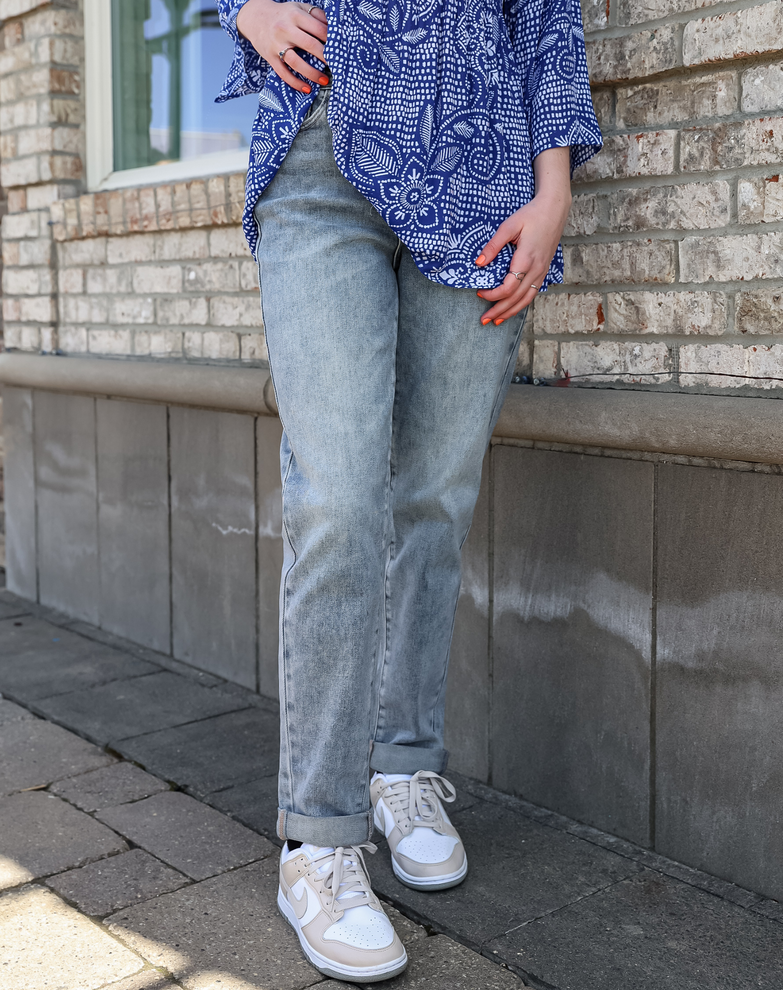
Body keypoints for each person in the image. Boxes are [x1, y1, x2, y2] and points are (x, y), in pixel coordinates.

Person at [217, 0, 601, 981]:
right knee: (337, 504)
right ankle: (317, 838)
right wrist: (243, 7)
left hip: (481, 177)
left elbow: (546, 16)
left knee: (433, 501)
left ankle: (402, 768)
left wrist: (553, 186)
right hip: (323, 148)